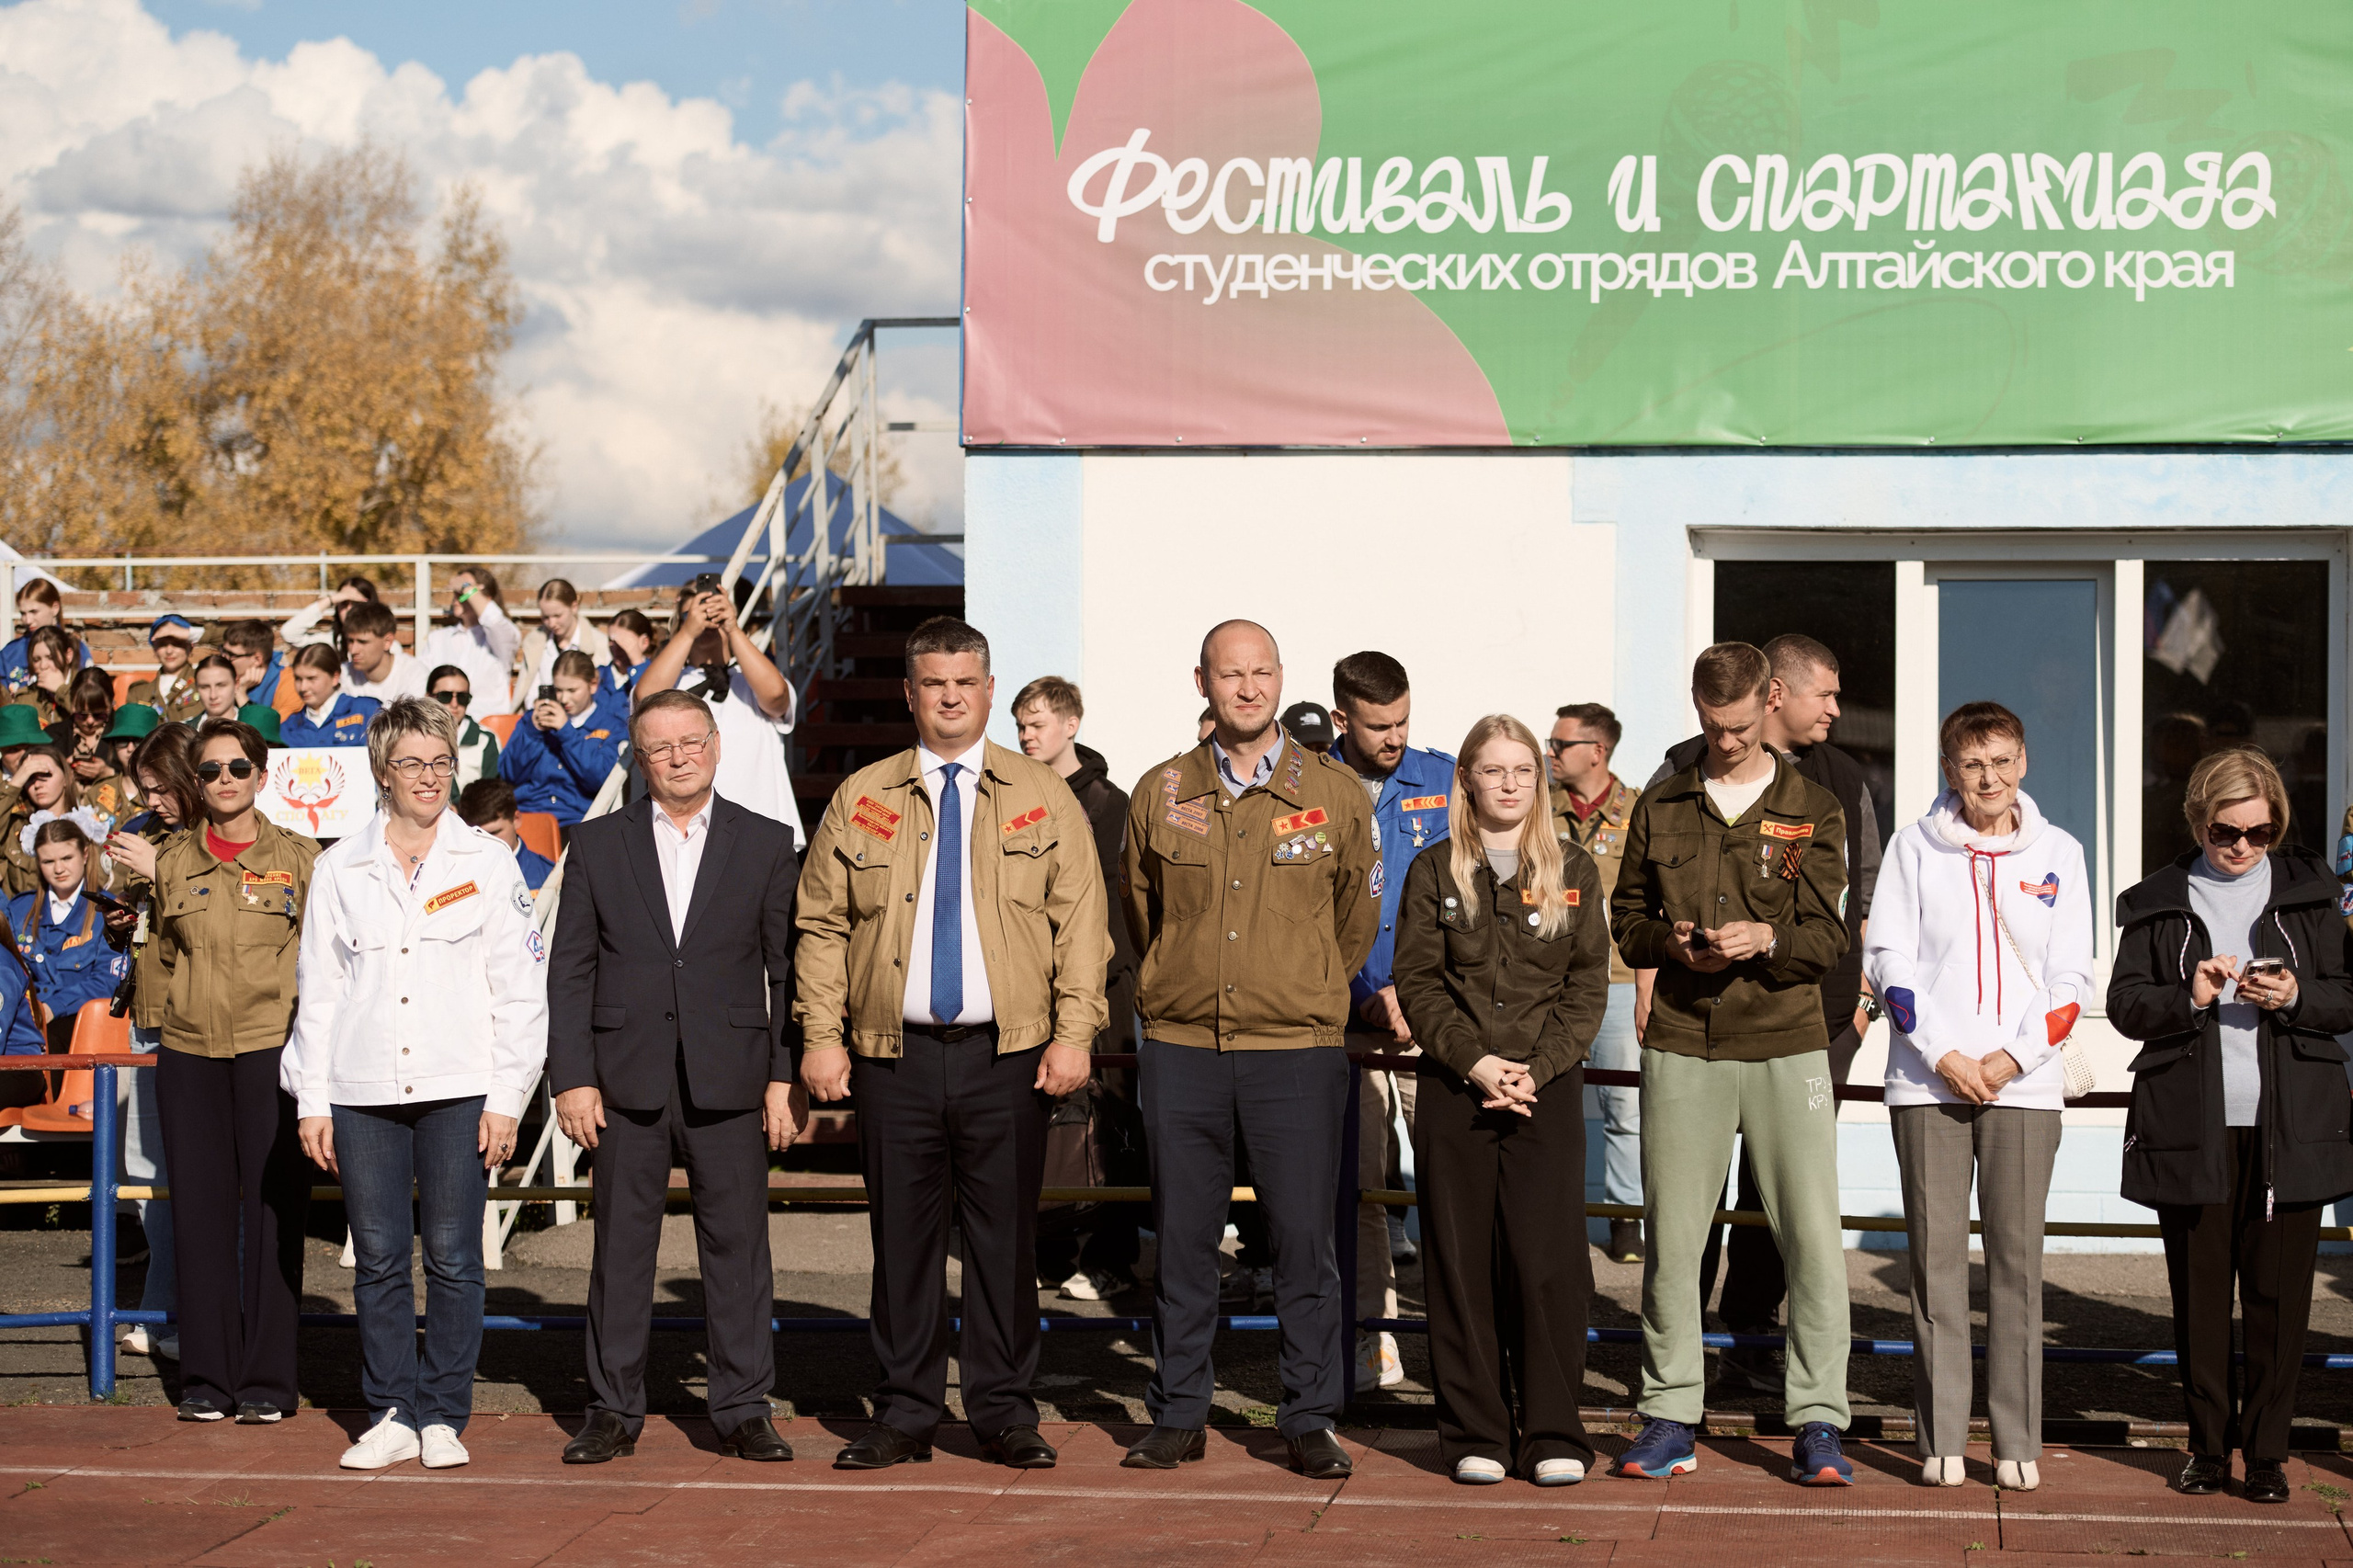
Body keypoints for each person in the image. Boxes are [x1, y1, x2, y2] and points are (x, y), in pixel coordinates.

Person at [797, 622, 1107, 1471]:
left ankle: (1004, 1411)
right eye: (934, 683)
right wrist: (821, 1036)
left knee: (1004, 1245)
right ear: (909, 692)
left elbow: (1083, 925)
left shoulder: (1043, 793)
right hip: (891, 1057)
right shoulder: (863, 794)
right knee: (902, 1244)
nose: (950, 697)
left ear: (989, 688)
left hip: (1007, 1056)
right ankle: (906, 1412)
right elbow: (821, 925)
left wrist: (1074, 1033)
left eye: (965, 683)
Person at [1119, 619, 1379, 1479]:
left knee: (1303, 1243)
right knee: (1184, 1242)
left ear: (1280, 677)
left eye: (1261, 672)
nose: (1248, 688)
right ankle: (1179, 1413)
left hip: (1295, 1048)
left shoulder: (1336, 794)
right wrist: (1186, 983)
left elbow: (1355, 920)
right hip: (1184, 1046)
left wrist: (1300, 984)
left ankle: (1307, 1415)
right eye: (1230, 674)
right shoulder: (1161, 792)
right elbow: (1143, 914)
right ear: (1202, 682)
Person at [1608, 642, 1853, 1485]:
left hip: (1787, 1040)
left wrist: (1768, 938)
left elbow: (1829, 937)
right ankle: (1670, 1412)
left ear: (1769, 701)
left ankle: (1818, 1420)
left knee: (1811, 1241)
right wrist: (1668, 942)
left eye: (1742, 725)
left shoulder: (1816, 806)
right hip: (1684, 1039)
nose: (1728, 741)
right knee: (1675, 1241)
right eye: (1714, 726)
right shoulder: (1662, 802)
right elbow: (1627, 918)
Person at [287, 696, 549, 1471]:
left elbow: (521, 991)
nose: (430, 777)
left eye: (441, 762)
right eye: (412, 763)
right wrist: (311, 1099)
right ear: (382, 772)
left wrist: (507, 1099)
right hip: (361, 1090)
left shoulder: (488, 862)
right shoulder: (339, 867)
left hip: (461, 1088)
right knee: (376, 1259)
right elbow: (319, 992)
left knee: (455, 1258)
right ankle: (392, 1412)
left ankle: (443, 1414)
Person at [549, 687, 803, 1465]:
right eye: (660, 747)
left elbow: (787, 971)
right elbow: (571, 970)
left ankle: (743, 1407)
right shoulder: (596, 844)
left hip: (733, 1078)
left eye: (691, 741)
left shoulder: (768, 842)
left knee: (740, 1252)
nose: (678, 757)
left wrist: (783, 1076)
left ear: (717, 745)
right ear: (640, 757)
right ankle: (612, 1409)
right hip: (623, 1083)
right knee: (621, 1253)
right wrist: (572, 1077)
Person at [2109, 747, 2353, 1505]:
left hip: (2292, 1128)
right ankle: (2209, 1450)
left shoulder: (2311, 893)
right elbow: (2124, 1005)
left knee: (2280, 1302)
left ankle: (2269, 1455)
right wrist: (2190, 994)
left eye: (2260, 831)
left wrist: (2296, 996)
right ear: (2197, 823)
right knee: (2202, 1299)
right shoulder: (2157, 899)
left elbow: (2345, 996)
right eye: (2226, 832)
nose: (2243, 846)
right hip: (2193, 1126)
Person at [1867, 701, 2092, 1492]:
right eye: (1972, 764)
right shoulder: (1912, 848)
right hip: (1927, 1081)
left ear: (2023, 762)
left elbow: (2072, 977)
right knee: (1934, 1266)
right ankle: (1941, 1438)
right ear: (1949, 771)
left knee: (2016, 1267)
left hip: (2023, 1086)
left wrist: (2011, 1059)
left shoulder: (2061, 851)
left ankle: (2016, 1438)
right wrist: (1944, 1054)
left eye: (2001, 761)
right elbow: (1887, 961)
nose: (1989, 778)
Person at [1657, 634, 1880, 1395]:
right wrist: (1660, 968)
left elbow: (1863, 898)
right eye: (1828, 693)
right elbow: (1641, 897)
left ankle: (1754, 1343)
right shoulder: (1678, 772)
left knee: (1785, 1203)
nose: (1837, 709)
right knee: (1690, 1202)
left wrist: (1860, 1008)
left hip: (1812, 1022)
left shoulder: (1841, 782)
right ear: (1778, 692)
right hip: (1697, 1023)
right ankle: (1682, 1363)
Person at [1394, 714, 1609, 1486]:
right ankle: (1475, 1435)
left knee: (1548, 1266)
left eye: (1523, 769)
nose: (1510, 783)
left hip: (1544, 1092)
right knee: (1461, 1266)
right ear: (1467, 780)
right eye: (1493, 770)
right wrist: (1478, 1064)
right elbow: (1419, 983)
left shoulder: (1574, 868)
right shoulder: (1434, 871)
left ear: (1539, 780)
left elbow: (1586, 989)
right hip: (1457, 1087)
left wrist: (1533, 1070)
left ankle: (1552, 1434)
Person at [148, 721, 320, 1423]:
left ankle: (268, 1381)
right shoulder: (170, 862)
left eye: (238, 768)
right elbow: (161, 957)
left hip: (272, 1050)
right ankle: (206, 1378)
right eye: (212, 770)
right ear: (197, 780)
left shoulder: (303, 859)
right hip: (189, 1054)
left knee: (276, 1213)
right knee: (199, 1215)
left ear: (262, 775)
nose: (225, 780)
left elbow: (323, 961)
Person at [1326, 650, 1455, 1392]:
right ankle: (1375, 1346)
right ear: (1341, 718)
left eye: (1404, 721)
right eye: (1379, 726)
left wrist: (1416, 990)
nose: (1396, 737)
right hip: (1346, 1024)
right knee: (1360, 1193)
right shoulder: (1307, 786)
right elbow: (1301, 913)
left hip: (1434, 1024)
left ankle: (1462, 1350)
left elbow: (1472, 900)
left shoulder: (1444, 781)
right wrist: (1361, 990)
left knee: (1452, 1191)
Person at [1011, 674, 1144, 1301]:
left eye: (1036, 724)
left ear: (1071, 725)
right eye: (1020, 725)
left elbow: (1125, 905)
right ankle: (1051, 1247)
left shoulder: (1110, 805)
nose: (1026, 735)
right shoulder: (1015, 797)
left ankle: (1111, 1256)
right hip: (1029, 987)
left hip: (1104, 984)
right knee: (1040, 1117)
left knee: (1108, 1116)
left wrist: (1099, 978)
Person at [99, 722, 202, 1362]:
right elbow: (144, 925)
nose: (153, 801)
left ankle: (193, 1316)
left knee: (197, 1173)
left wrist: (160, 869)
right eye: (145, 789)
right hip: (148, 1012)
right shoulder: (147, 834)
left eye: (163, 788)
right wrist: (119, 921)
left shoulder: (219, 833)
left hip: (200, 1019)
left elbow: (220, 907)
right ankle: (163, 1309)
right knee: (146, 1173)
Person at [1548, 701, 1645, 1265]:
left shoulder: (1639, 811)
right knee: (1541, 1097)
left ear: (1596, 751)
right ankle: (1551, 1216)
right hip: (1546, 980)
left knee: (1625, 1105)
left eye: (1560, 745)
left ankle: (1625, 1219)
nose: (1550, 753)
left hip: (1618, 980)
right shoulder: (1538, 807)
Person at [634, 579, 800, 841]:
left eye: (714, 610)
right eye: (693, 613)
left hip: (761, 831)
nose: (706, 619)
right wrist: (688, 632)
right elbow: (644, 701)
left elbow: (777, 697)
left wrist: (732, 627)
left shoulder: (751, 678)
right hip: (686, 833)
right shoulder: (671, 682)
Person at [10, 818, 131, 1046]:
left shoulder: (107, 912)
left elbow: (107, 982)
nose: (58, 869)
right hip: (25, 1027)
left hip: (82, 1032)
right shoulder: (19, 910)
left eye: (67, 858)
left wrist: (52, 1007)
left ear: (85, 854)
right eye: (48, 861)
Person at [498, 650, 628, 826]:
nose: (564, 699)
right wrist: (533, 733)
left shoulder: (613, 726)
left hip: (577, 820)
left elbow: (600, 781)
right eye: (558, 690)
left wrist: (566, 732)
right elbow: (509, 774)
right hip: (527, 814)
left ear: (593, 685)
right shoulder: (533, 720)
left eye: (572, 690)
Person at [421, 569, 519, 717]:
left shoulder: (502, 639)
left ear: (486, 598)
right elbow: (421, 682)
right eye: (455, 592)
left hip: (486, 725)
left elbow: (494, 620)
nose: (457, 597)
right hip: (441, 725)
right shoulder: (437, 638)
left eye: (462, 593)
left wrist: (466, 587)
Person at [3, 746, 89, 895]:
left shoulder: (88, 825)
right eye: (30, 778)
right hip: (25, 908)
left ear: (67, 777)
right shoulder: (14, 828)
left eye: (45, 775)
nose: (37, 785)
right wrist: (15, 782)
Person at [54, 669, 131, 822]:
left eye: (99, 715)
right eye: (81, 715)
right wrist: (61, 773)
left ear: (111, 703)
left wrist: (108, 772)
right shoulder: (54, 736)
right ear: (72, 704)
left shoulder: (124, 735)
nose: (89, 721)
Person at [458, 778, 553, 891]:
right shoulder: (456, 878)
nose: (488, 842)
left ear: (516, 819)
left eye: (494, 832)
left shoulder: (549, 878)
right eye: (478, 835)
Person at [517, 578, 611, 692]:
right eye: (545, 617)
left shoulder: (600, 644)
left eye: (557, 615)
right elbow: (528, 692)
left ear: (574, 607)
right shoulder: (534, 642)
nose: (552, 623)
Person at [278, 645, 381, 748]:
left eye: (311, 678)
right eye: (298, 679)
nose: (303, 687)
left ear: (335, 678)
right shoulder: (288, 728)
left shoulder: (367, 711)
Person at [0, 579, 91, 692]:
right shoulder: (10, 653)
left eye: (34, 612)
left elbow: (89, 695)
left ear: (55, 608)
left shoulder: (77, 648)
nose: (27, 620)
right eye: (23, 613)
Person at [339, 601, 428, 706]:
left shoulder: (415, 674)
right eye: (350, 641)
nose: (353, 650)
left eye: (363, 642)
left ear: (387, 642)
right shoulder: (343, 675)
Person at [428, 666, 502, 788]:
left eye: (462, 697)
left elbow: (492, 792)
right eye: (445, 696)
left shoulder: (486, 739)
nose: (454, 704)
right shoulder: (414, 737)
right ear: (428, 697)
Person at [127, 616, 207, 723]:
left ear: (190, 646)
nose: (169, 651)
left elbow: (225, 637)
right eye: (162, 644)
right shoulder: (139, 693)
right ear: (154, 648)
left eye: (177, 643)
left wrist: (189, 633)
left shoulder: (204, 683)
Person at [278, 574, 381, 651]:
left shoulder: (383, 642)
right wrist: (331, 600)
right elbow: (288, 633)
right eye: (343, 603)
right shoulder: (331, 642)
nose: (349, 609)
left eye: (355, 603)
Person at [221, 620, 292, 714]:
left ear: (257, 659)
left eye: (231, 655)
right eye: (223, 651)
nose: (223, 658)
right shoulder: (220, 673)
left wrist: (240, 692)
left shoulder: (287, 684)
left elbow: (265, 724)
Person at [18, 625, 82, 730]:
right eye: (36, 660)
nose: (43, 666)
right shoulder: (27, 696)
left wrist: (61, 690)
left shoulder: (86, 685)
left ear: (68, 656)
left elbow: (91, 718)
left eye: (50, 657)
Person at [605, 609, 656, 694]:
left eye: (624, 641)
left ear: (644, 642)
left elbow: (649, 696)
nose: (616, 648)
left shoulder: (656, 675)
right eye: (611, 641)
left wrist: (637, 664)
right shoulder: (599, 675)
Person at [191, 654, 242, 731]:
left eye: (221, 685)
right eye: (205, 687)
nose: (213, 696)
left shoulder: (255, 725)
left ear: (236, 684)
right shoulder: (185, 731)